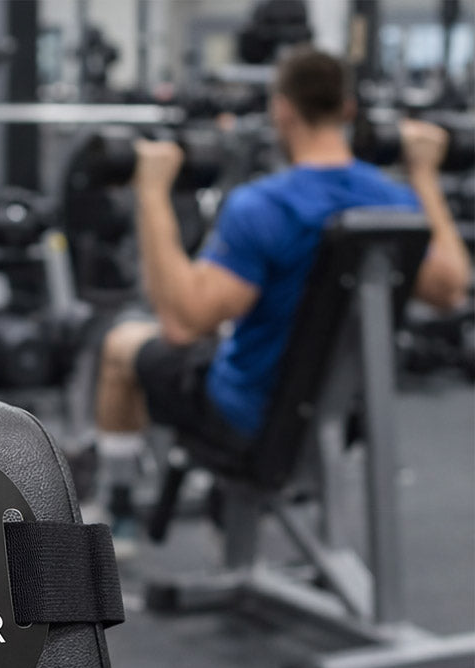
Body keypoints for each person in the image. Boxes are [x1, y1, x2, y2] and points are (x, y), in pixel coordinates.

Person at [96, 45, 471, 543]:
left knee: (121, 344)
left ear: (283, 109)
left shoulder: (263, 206)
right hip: (344, 416)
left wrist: (150, 189)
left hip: (251, 417)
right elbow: (452, 289)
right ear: (349, 110)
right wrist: (424, 174)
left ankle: (114, 514)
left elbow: (183, 323)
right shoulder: (393, 200)